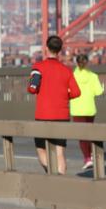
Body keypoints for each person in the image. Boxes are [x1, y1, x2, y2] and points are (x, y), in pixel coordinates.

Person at [27, 36, 81, 175]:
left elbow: (32, 88)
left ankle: (51, 173)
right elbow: (76, 92)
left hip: (42, 115)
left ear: (46, 48)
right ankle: (61, 181)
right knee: (60, 152)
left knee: (41, 149)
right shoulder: (66, 70)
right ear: (59, 51)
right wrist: (63, 96)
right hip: (61, 116)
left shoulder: (38, 67)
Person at [69, 53, 103, 170]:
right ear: (87, 62)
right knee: (90, 132)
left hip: (77, 109)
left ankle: (87, 158)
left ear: (76, 63)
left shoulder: (72, 76)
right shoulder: (93, 76)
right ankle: (92, 154)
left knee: (82, 135)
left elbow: (68, 92)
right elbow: (99, 92)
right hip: (90, 108)